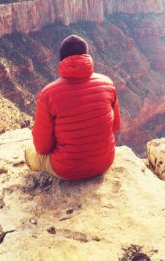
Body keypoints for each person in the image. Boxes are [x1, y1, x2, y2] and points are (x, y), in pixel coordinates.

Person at [25, 34, 121, 180]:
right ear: (87, 56)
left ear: (62, 60)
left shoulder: (47, 94)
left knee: (28, 152)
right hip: (104, 162)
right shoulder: (107, 83)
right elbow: (115, 127)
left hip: (68, 170)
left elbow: (42, 148)